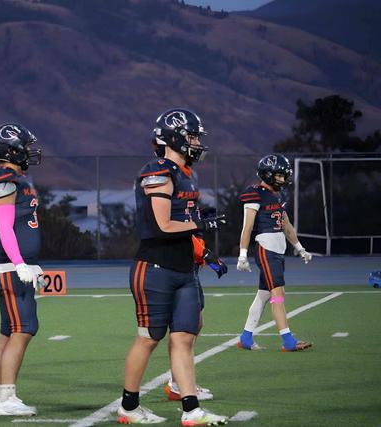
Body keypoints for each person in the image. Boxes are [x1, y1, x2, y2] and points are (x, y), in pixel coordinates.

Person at [116, 109, 228, 426]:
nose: (197, 142)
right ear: (175, 137)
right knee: (149, 338)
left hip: (183, 269)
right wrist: (199, 222)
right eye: (192, 136)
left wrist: (204, 251)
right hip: (155, 267)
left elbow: (185, 223)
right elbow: (162, 225)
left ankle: (191, 410)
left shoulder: (186, 173)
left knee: (184, 338)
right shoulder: (158, 171)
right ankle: (128, 407)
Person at [0, 123, 43, 416]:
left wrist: (29, 263)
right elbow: (4, 226)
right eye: (25, 147)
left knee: (8, 331)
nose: (29, 152)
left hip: (13, 265)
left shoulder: (16, 178)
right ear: (12, 150)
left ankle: (1, 396)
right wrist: (19, 263)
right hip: (9, 266)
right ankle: (6, 399)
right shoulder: (2, 177)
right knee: (23, 329)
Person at [236, 154, 313, 352]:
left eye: (283, 175)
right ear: (267, 174)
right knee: (278, 294)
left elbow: (286, 225)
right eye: (279, 175)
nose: (282, 179)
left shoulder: (279, 195)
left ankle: (246, 337)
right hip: (266, 249)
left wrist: (300, 248)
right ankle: (288, 341)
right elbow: (247, 226)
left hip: (277, 250)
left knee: (263, 294)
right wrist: (242, 254)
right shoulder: (255, 193)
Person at [164, 232, 226, 402]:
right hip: (179, 267)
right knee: (181, 329)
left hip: (189, 266)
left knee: (194, 324)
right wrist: (204, 253)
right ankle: (178, 384)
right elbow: (181, 229)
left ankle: (179, 382)